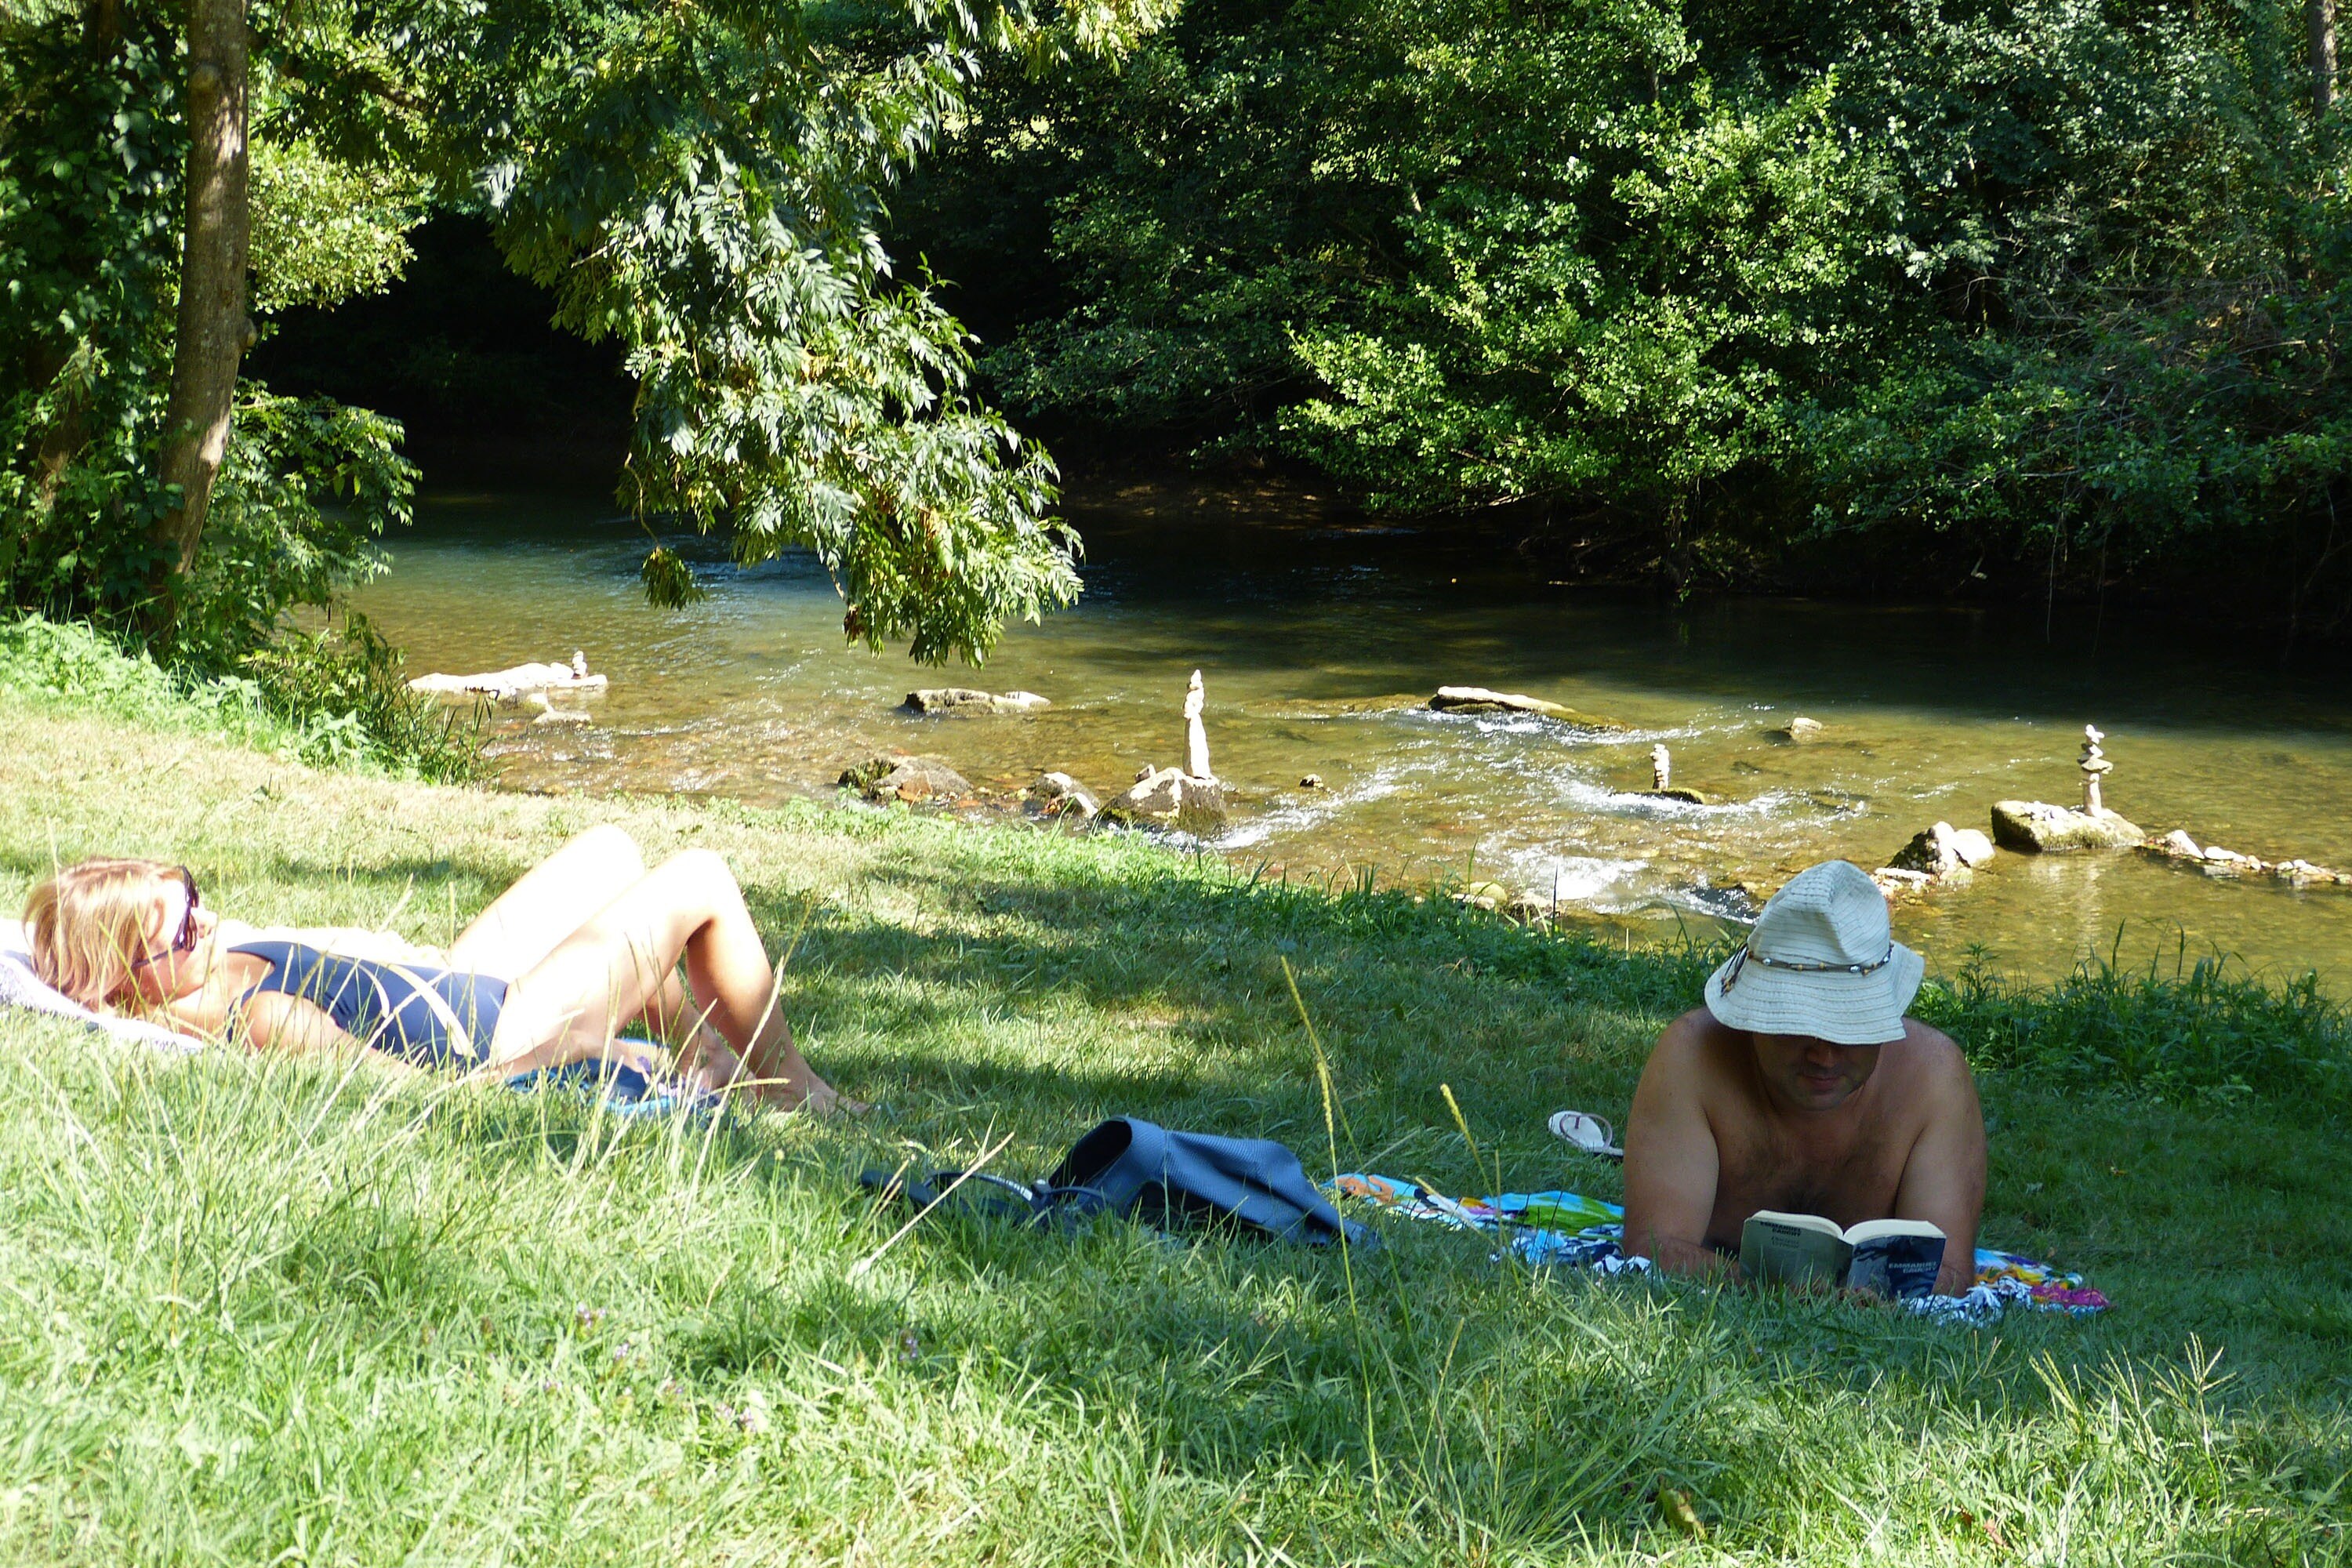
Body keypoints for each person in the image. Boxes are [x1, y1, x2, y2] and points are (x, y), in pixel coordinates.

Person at [21, 825, 851, 1114]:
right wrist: (565, 1053)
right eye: (178, 930)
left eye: (191, 894)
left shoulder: (202, 967)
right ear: (120, 984)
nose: (203, 919)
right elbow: (432, 1096)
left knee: (611, 853)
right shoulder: (261, 1019)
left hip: (461, 979)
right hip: (503, 1030)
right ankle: (793, 1088)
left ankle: (708, 1053)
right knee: (698, 876)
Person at [1618, 858, 1984, 1295]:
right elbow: (1653, 1247)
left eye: (1850, 1028)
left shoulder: (1933, 1076)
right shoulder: (1693, 1056)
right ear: (1755, 1018)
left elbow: (1950, 1272)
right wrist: (1791, 1290)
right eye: (1796, 1026)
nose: (1824, 1054)